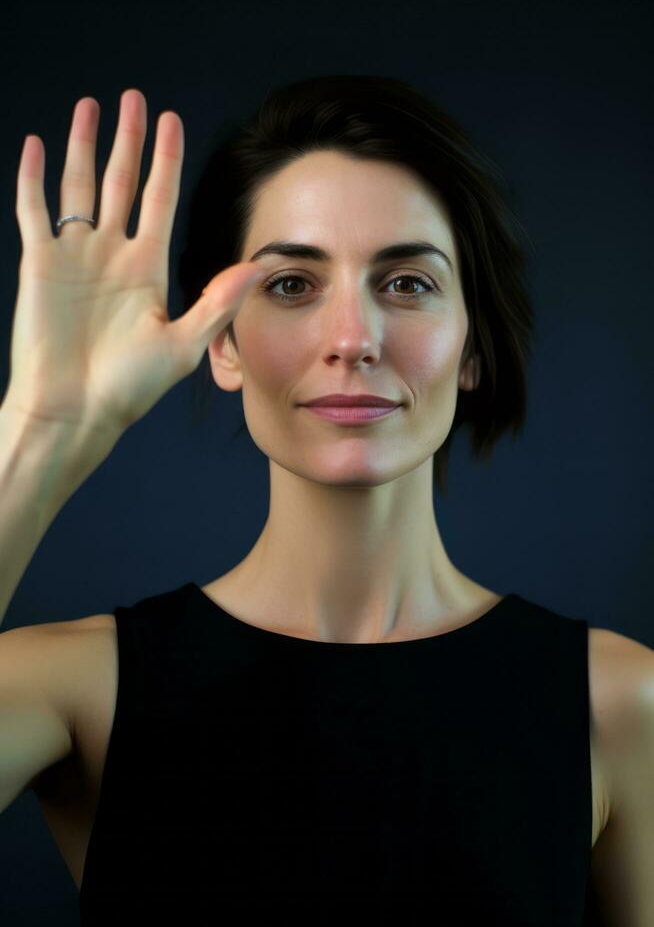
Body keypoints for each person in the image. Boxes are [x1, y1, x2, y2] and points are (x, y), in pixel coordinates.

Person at [0, 77, 652, 925]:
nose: (353, 339)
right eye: (291, 286)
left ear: (473, 346)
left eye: (409, 283)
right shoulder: (68, 687)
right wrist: (42, 428)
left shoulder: (620, 704)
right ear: (221, 343)